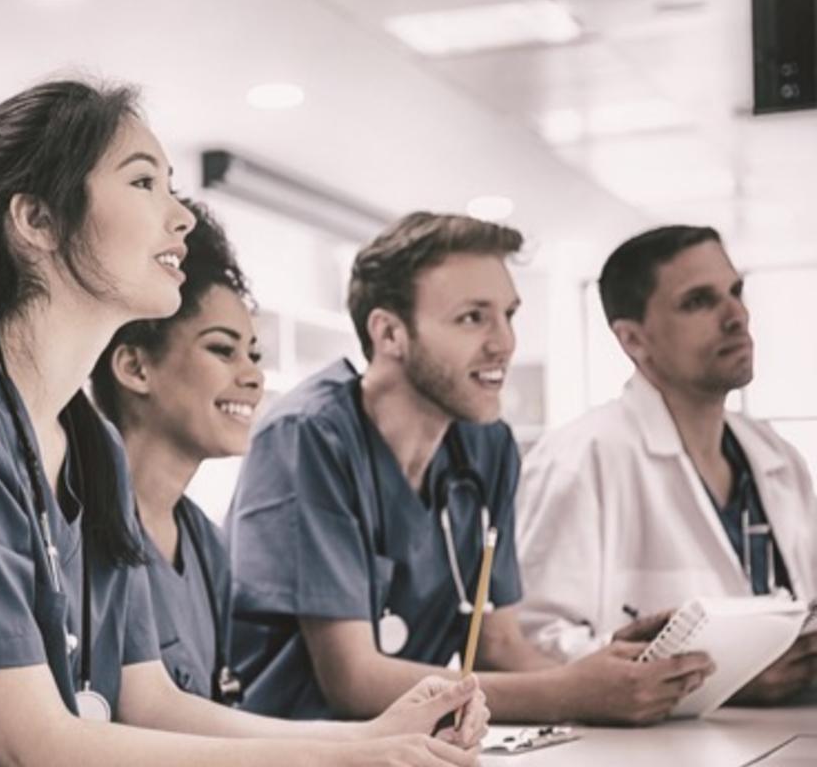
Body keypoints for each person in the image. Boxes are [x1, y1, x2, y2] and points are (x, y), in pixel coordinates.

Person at [0, 79, 488, 766]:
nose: (182, 218)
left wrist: (373, 734)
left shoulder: (90, 443)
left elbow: (150, 701)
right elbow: (35, 747)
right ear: (38, 222)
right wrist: (345, 762)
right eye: (144, 182)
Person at [226, 212, 716, 725]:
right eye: (472, 317)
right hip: (296, 747)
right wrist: (572, 693)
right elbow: (354, 680)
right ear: (390, 332)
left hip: (415, 746)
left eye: (509, 314)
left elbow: (498, 644)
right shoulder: (309, 436)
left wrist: (614, 678)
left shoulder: (486, 444)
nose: (504, 343)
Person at [517, 224, 817, 704]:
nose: (736, 315)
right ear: (634, 340)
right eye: (699, 301)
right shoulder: (582, 457)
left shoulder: (776, 456)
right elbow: (533, 644)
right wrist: (727, 674)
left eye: (735, 291)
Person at [89, 199, 259, 703]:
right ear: (135, 368)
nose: (252, 376)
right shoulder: (83, 532)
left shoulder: (207, 547)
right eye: (222, 350)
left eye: (254, 354)